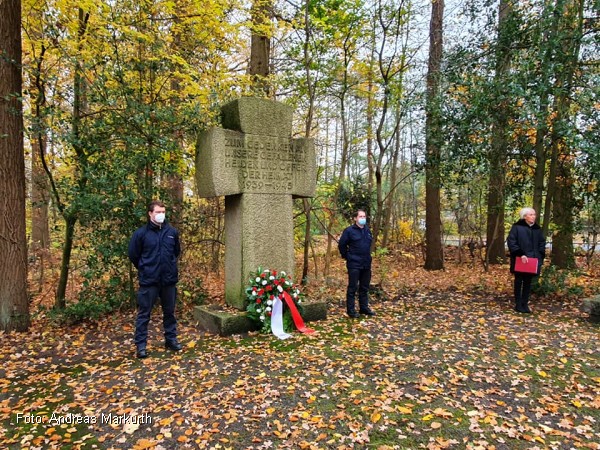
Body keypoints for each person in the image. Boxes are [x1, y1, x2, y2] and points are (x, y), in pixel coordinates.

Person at [128, 200, 182, 358]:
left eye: (163, 212)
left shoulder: (172, 232)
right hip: (149, 281)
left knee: (169, 312)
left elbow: (176, 252)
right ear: (150, 213)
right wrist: (146, 268)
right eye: (158, 212)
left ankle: (171, 340)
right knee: (144, 314)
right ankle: (141, 346)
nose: (161, 215)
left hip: (168, 280)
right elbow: (133, 254)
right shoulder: (141, 234)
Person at [507, 207, 546, 314]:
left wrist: (540, 255)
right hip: (520, 259)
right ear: (525, 217)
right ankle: (518, 304)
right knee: (519, 281)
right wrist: (520, 254)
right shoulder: (517, 227)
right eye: (531, 214)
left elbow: (542, 243)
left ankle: (525, 303)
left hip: (533, 259)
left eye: (534, 214)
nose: (534, 216)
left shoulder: (537, 229)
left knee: (528, 282)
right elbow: (511, 242)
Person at [338, 209, 375, 318]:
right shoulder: (349, 231)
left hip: (366, 263)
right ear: (355, 218)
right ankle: (351, 310)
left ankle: (364, 308)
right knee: (352, 287)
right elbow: (342, 245)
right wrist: (347, 256)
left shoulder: (367, 231)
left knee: (364, 287)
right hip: (354, 264)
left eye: (364, 216)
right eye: (360, 216)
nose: (363, 219)